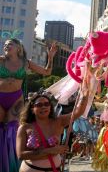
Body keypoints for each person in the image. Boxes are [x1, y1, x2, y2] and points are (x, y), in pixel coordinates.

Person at [0, 39, 57, 172]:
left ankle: (11, 166)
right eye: (5, 45)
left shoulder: (26, 63)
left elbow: (47, 72)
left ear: (19, 48)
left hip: (16, 100)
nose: (6, 46)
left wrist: (50, 57)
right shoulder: (1, 60)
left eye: (10, 44)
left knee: (10, 130)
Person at [16, 78, 90, 172]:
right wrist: (51, 151)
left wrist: (85, 93)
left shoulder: (59, 121)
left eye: (46, 104)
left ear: (51, 107)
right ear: (32, 109)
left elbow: (78, 111)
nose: (43, 107)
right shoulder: (24, 128)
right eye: (39, 105)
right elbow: (21, 155)